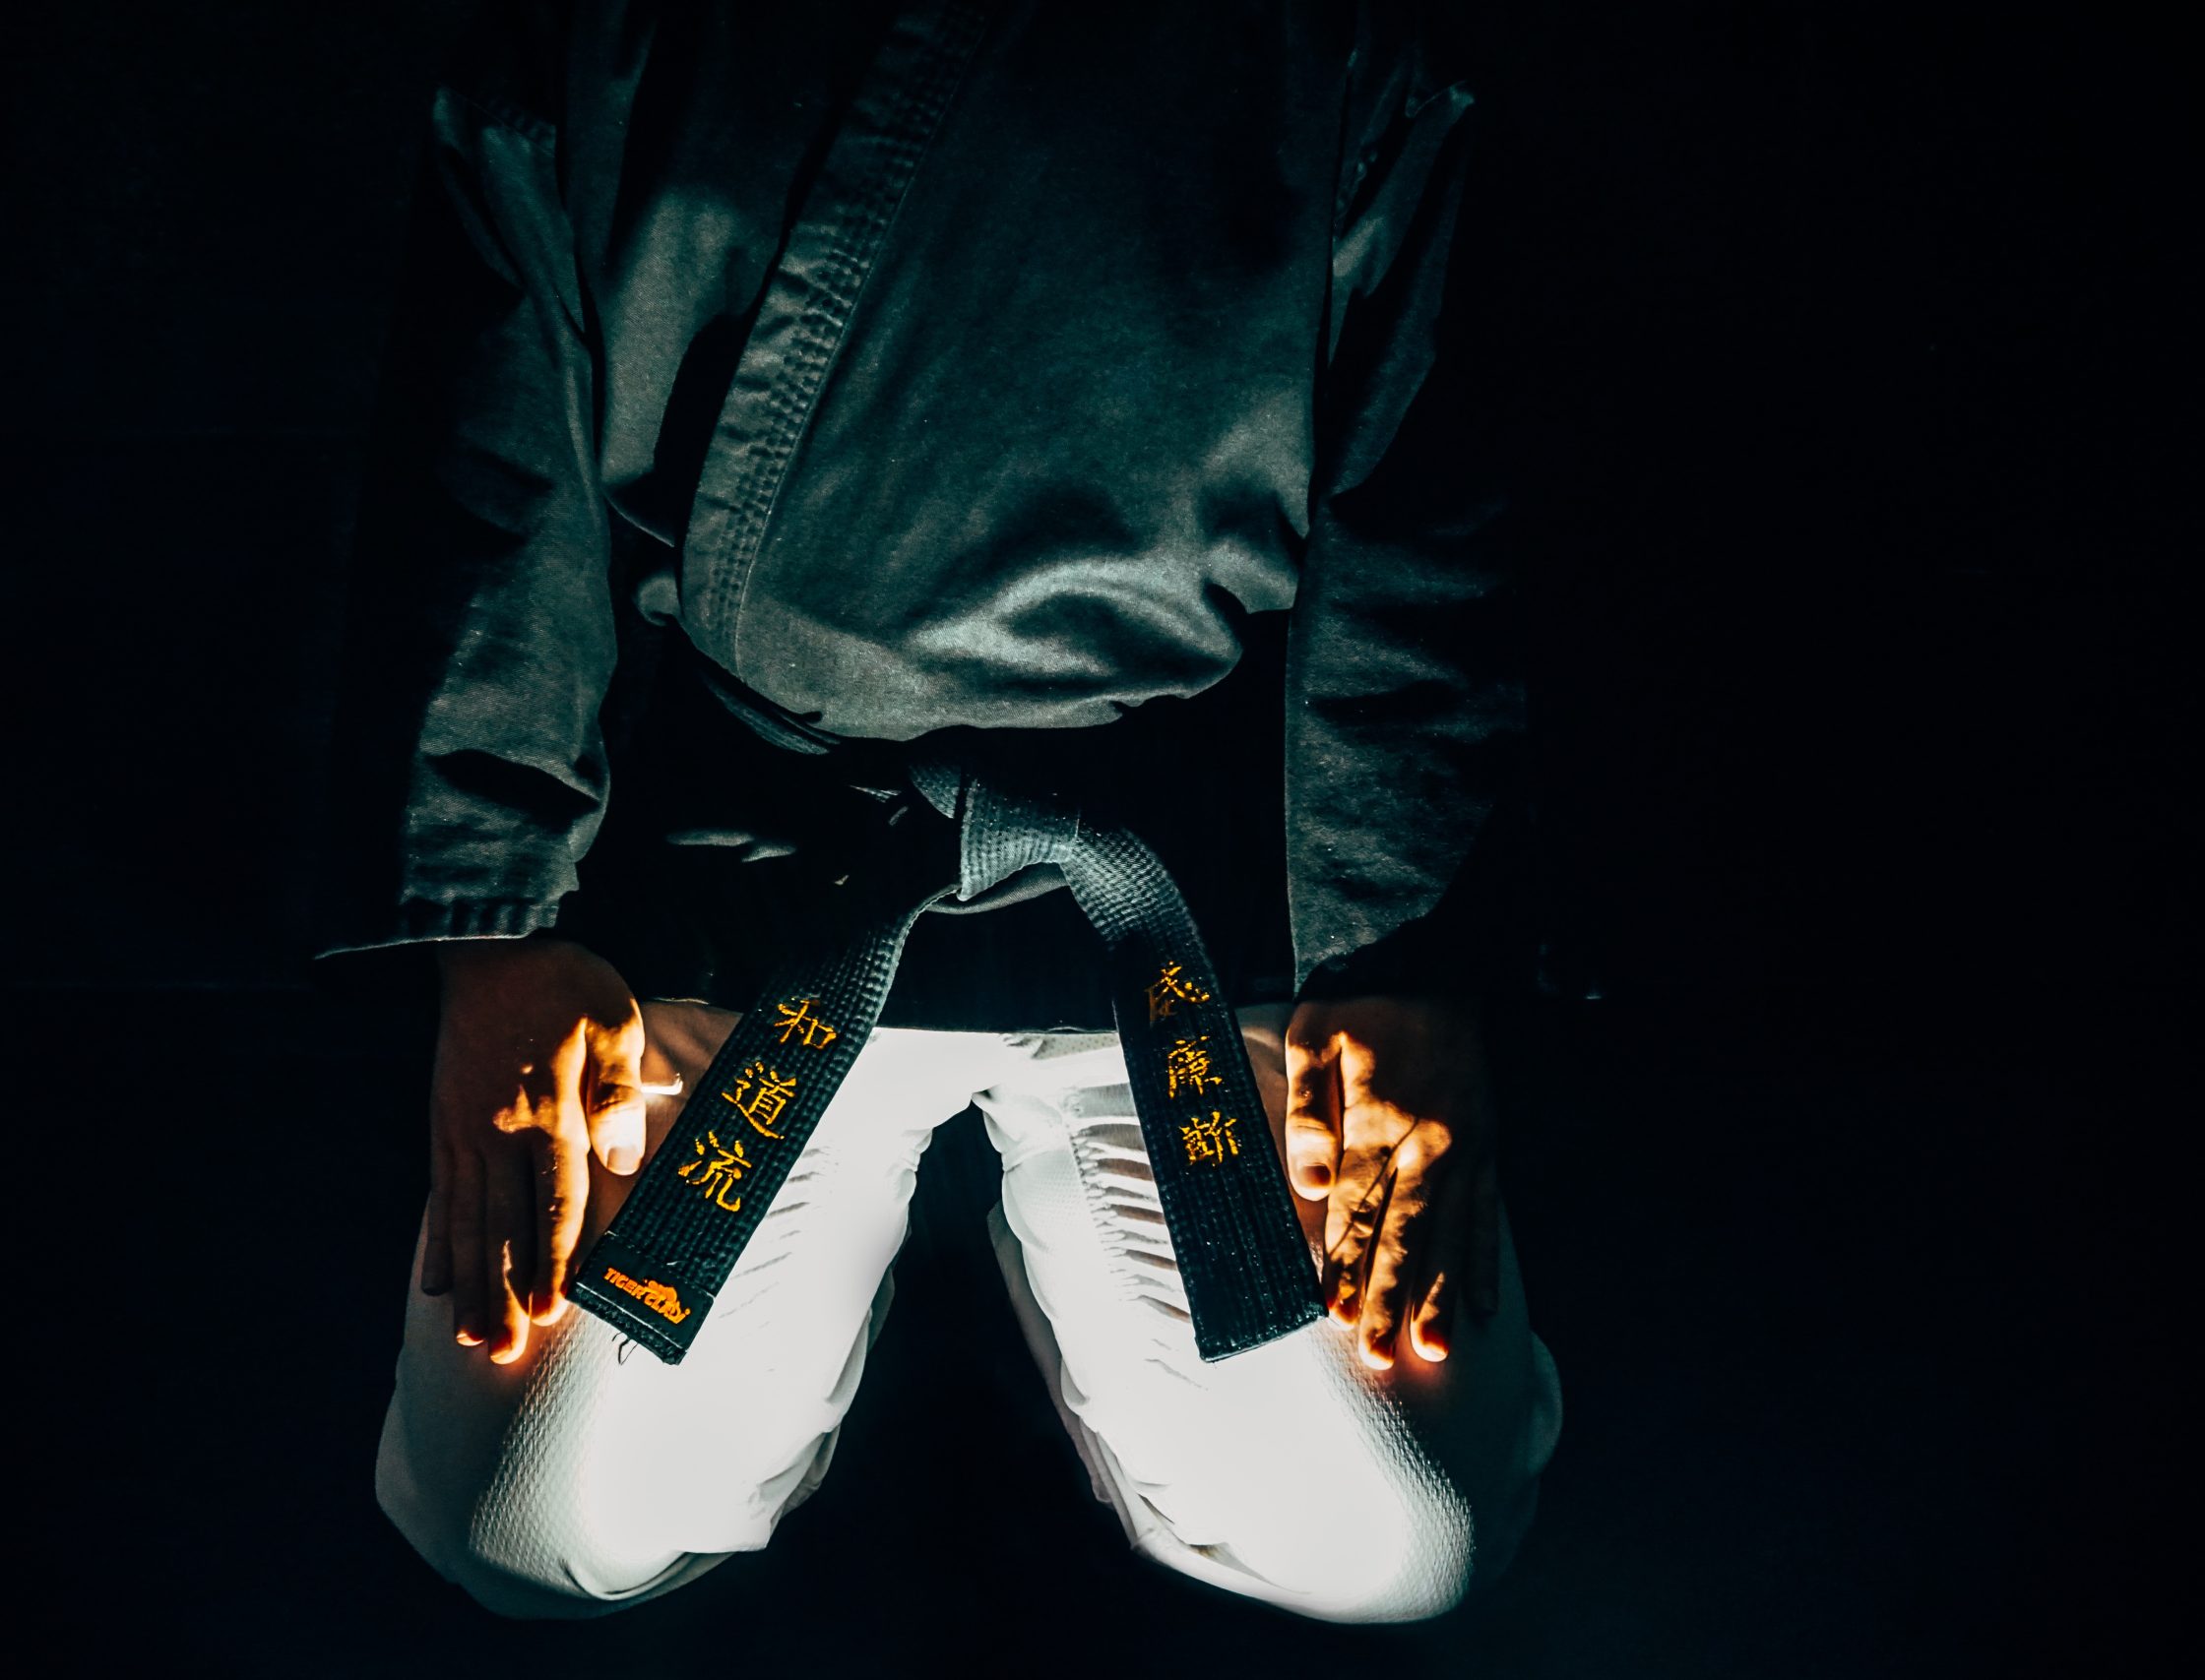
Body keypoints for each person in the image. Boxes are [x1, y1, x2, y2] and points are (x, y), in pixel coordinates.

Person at [320, 0, 1561, 1625]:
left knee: (1408, 1525)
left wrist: (1407, 952)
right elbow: (490, 480)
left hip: (1190, 898)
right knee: (528, 1504)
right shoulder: (603, 45)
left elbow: (1433, 508)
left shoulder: (1339, 54)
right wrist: (501, 935)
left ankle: (1060, 1217)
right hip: (760, 883)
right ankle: (857, 1302)